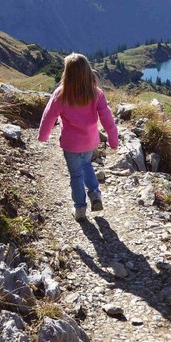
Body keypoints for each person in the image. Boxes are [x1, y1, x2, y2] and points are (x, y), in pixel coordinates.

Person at [38, 53, 119, 221]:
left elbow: (49, 116)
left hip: (70, 143)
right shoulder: (96, 93)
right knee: (87, 164)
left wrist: (43, 136)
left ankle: (80, 209)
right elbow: (107, 119)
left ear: (67, 72)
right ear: (88, 71)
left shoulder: (61, 93)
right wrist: (113, 139)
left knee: (76, 175)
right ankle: (95, 194)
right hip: (90, 141)